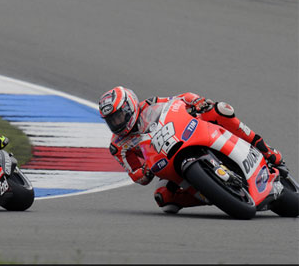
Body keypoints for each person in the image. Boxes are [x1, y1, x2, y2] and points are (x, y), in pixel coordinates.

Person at [98, 86, 284, 214]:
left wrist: (197, 102)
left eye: (119, 116)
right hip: (164, 162)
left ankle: (266, 150)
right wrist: (145, 171)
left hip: (186, 134)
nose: (117, 123)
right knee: (163, 199)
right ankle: (215, 194)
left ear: (130, 106)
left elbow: (179, 99)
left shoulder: (150, 104)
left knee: (220, 110)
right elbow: (135, 174)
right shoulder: (118, 146)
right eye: (111, 120)